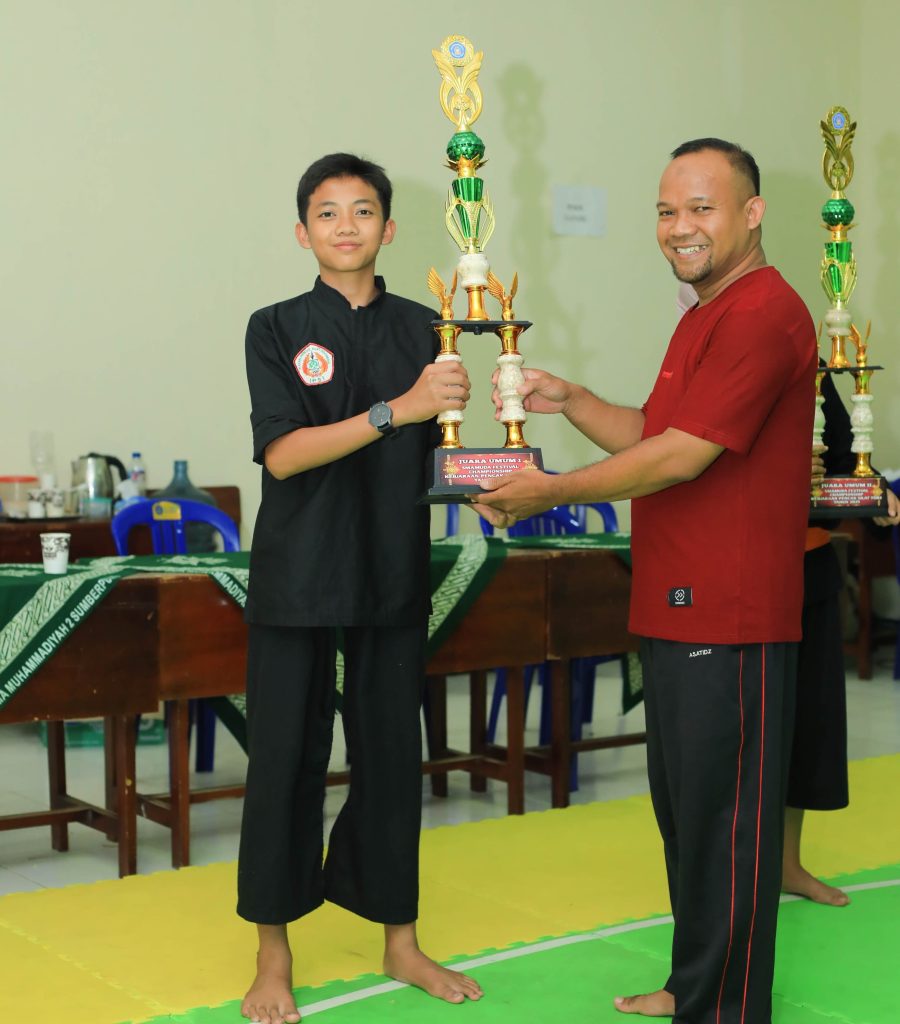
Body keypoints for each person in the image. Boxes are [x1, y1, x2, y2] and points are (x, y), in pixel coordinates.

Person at [475, 139, 817, 1022]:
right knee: (689, 819)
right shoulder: (704, 313)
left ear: (752, 213)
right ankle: (694, 985)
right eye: (667, 211)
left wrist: (549, 490)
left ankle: (726, 1008)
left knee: (726, 828)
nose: (679, 227)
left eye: (701, 208)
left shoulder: (763, 313)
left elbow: (680, 457)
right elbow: (653, 433)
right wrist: (572, 399)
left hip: (731, 615)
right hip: (673, 605)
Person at [238, 152, 481, 1024]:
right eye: (328, 212)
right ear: (303, 232)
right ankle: (273, 954)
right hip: (298, 575)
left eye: (364, 210)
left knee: (390, 758)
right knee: (283, 761)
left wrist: (499, 476)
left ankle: (400, 939)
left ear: (389, 227)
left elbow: (446, 451)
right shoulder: (273, 327)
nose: (347, 225)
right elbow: (283, 455)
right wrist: (395, 411)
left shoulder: (428, 327)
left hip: (391, 569)